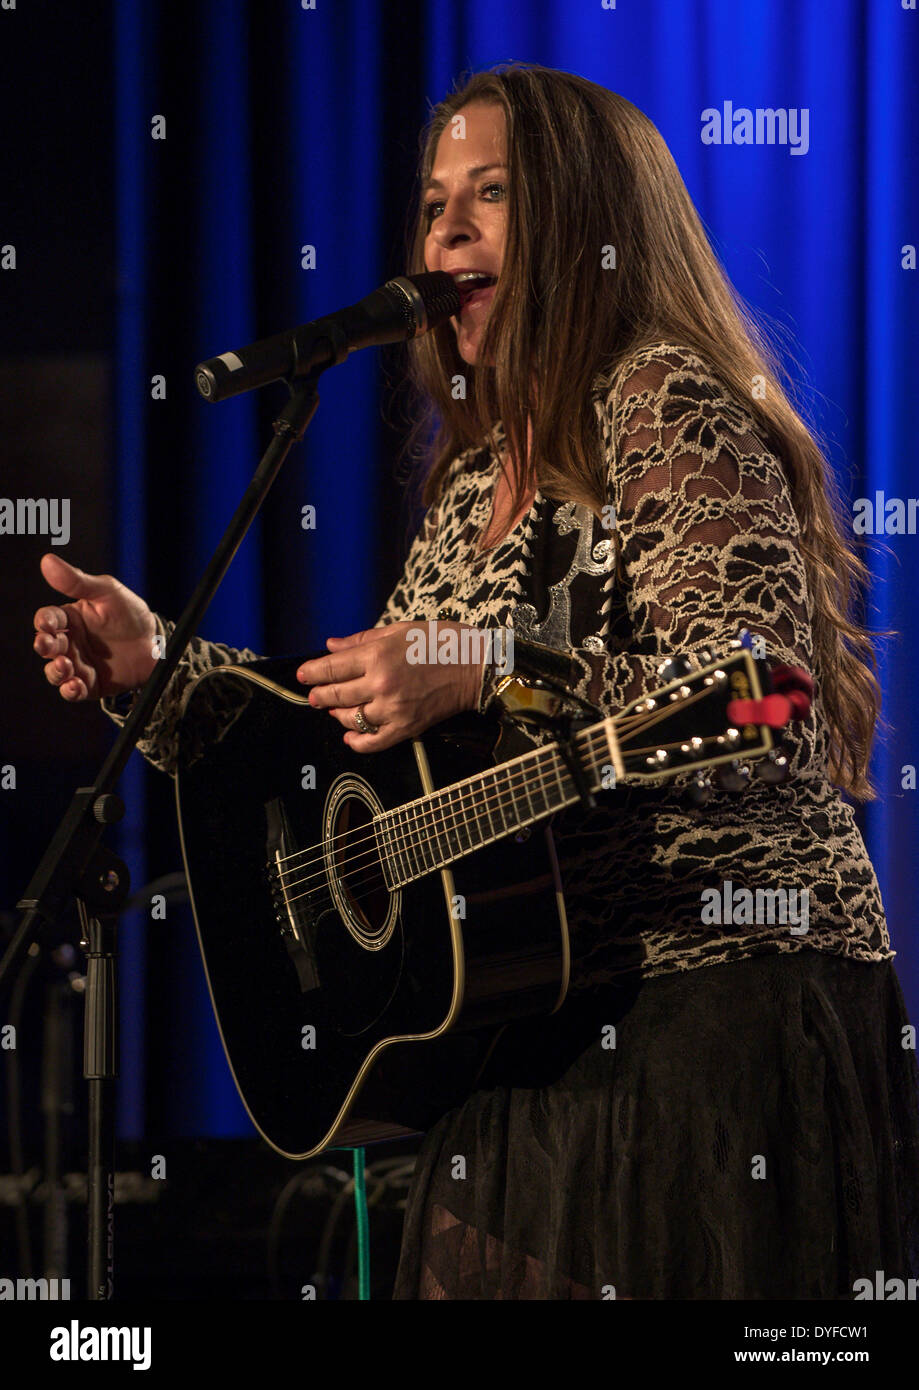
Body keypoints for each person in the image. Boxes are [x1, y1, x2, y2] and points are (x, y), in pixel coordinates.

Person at [33, 64, 919, 1300]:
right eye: (433, 199)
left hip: (714, 1012)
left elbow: (767, 697)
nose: (443, 229)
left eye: (490, 195)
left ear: (586, 225)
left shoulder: (672, 405)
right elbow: (369, 758)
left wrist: (485, 661)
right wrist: (165, 674)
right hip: (525, 1030)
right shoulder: (467, 487)